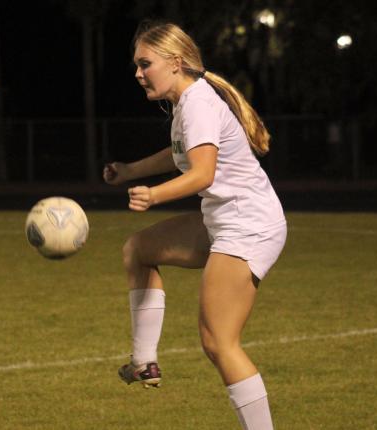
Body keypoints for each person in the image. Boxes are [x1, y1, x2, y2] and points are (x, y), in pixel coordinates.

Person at [103, 21, 287, 430]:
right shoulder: (188, 103)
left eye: (144, 63)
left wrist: (152, 195)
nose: (137, 73)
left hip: (247, 225)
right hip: (223, 220)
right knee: (139, 249)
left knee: (219, 342)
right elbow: (180, 154)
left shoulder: (199, 103)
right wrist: (132, 169)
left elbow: (201, 173)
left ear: (176, 62)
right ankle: (144, 361)